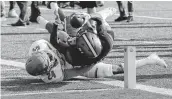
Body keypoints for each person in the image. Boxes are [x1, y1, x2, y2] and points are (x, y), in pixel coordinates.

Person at [25, 2, 167, 83]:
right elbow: (76, 71)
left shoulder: (43, 48)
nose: (49, 56)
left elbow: (56, 39)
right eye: (49, 59)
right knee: (112, 70)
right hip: (77, 62)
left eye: (47, 55)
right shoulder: (55, 75)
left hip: (73, 54)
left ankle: (47, 12)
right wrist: (91, 62)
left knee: (65, 27)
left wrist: (56, 26)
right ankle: (150, 60)